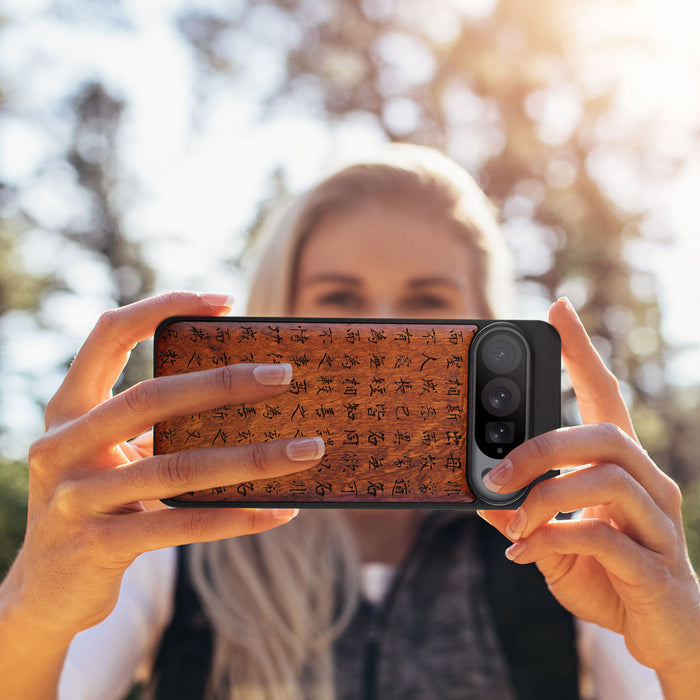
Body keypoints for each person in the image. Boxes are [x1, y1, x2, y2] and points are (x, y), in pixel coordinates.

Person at [0, 145, 698, 700]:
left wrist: (685, 648)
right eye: (340, 298)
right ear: (278, 315)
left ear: (487, 323)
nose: (384, 329)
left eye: (428, 302)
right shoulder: (170, 536)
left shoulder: (567, 543)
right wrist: (34, 607)